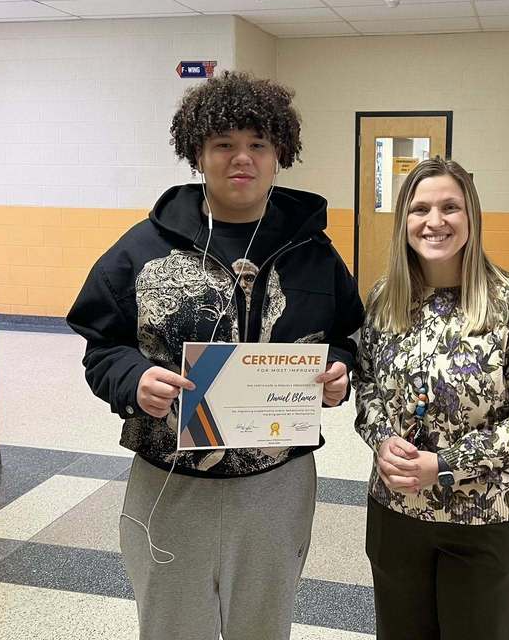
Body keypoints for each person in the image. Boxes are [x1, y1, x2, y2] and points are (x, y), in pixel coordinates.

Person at [67, 71, 364, 640]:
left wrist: (339, 371)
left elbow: (349, 337)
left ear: (280, 154)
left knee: (263, 626)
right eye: (223, 144)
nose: (241, 158)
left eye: (258, 144)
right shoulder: (142, 250)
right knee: (174, 626)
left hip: (277, 482)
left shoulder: (312, 256)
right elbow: (101, 345)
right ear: (198, 154)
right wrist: (134, 380)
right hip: (172, 480)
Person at [354, 157, 509, 640]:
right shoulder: (385, 299)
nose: (434, 221)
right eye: (420, 208)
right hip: (396, 514)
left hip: (485, 518)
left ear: (471, 216)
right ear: (403, 221)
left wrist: (445, 464)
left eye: (450, 207)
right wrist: (381, 439)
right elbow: (365, 386)